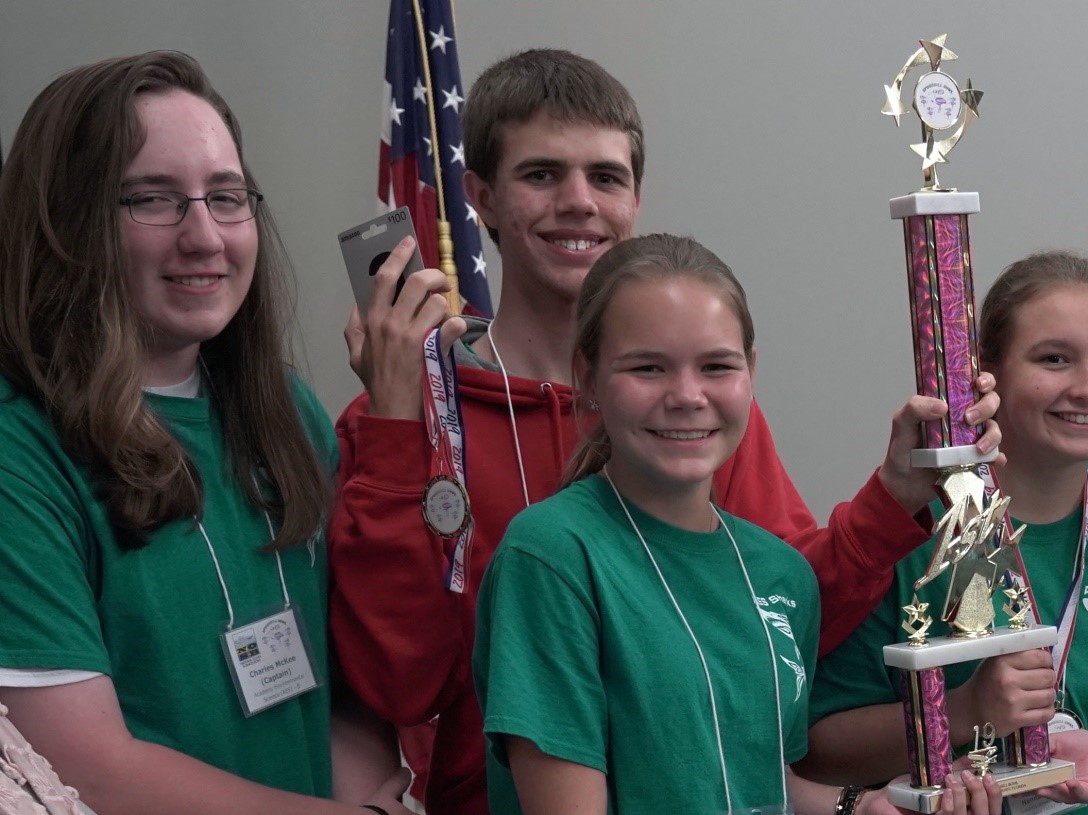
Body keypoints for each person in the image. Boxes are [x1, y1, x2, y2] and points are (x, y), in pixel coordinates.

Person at [328, 48, 999, 814]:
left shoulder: (698, 416)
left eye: (605, 176)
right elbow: (395, 683)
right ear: (479, 195)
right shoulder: (409, 414)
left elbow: (769, 619)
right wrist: (393, 417)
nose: (578, 201)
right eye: (541, 174)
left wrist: (891, 498)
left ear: (636, 197)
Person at [0, 51, 410, 815]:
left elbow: (347, 684)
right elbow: (85, 768)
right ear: (66, 222)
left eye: (226, 197)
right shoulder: (19, 450)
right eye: (151, 199)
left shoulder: (285, 409)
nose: (205, 237)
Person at [472, 232, 1000, 815]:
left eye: (716, 366)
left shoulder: (780, 574)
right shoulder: (552, 558)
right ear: (589, 376)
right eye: (648, 367)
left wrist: (861, 806)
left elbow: (760, 782)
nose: (687, 395)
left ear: (750, 371)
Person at [799, 251, 1088, 814]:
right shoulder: (913, 534)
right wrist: (965, 710)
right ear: (984, 372)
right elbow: (815, 751)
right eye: (1055, 359)